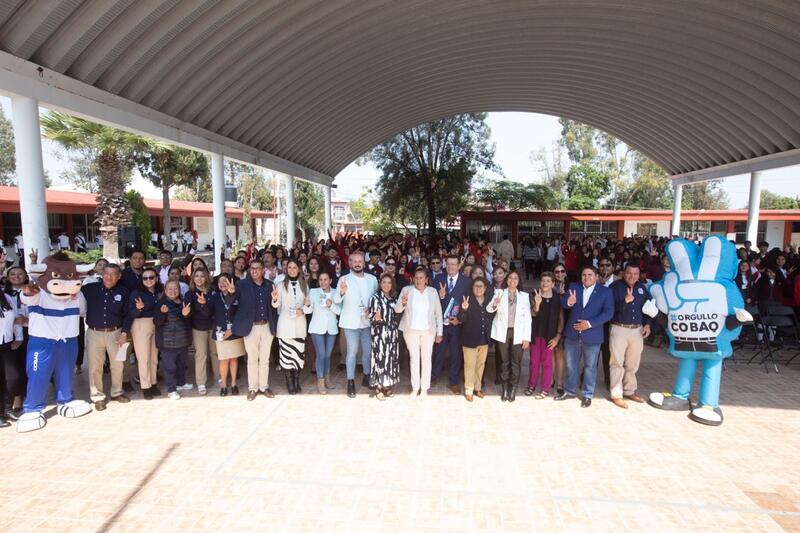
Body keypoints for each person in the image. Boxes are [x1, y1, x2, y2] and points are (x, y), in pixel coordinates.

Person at [556, 266, 614, 408]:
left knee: (590, 367)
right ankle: (569, 391)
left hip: (592, 335)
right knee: (571, 365)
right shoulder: (574, 287)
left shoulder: (605, 291)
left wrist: (589, 324)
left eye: (590, 275)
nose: (586, 277)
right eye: (584, 274)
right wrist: (569, 301)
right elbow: (564, 304)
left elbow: (608, 313)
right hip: (572, 334)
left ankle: (587, 394)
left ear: (596, 276)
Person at [81, 264, 132, 411]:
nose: (109, 277)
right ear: (102, 274)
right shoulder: (89, 289)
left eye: (113, 274)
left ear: (119, 276)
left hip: (116, 333)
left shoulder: (123, 292)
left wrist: (124, 333)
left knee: (117, 365)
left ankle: (116, 392)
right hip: (94, 333)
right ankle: (98, 397)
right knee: (95, 367)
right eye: (107, 273)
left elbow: (128, 314)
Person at [231, 259, 279, 400]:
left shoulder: (270, 285)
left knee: (264, 359)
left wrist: (275, 300)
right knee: (252, 359)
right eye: (252, 268)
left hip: (266, 326)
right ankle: (253, 388)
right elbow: (232, 302)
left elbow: (275, 307)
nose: (254, 271)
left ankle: (264, 386)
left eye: (257, 268)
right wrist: (231, 293)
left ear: (263, 269)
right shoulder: (241, 285)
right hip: (250, 327)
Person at [334, 252, 378, 398]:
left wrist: (371, 311)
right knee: (351, 353)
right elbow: (336, 300)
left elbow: (377, 299)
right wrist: (341, 291)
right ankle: (350, 381)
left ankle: (367, 376)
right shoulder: (344, 279)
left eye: (360, 261)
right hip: (350, 323)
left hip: (367, 322)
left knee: (367, 352)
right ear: (350, 263)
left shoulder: (372, 279)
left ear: (364, 263)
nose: (358, 263)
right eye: (354, 261)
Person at [607, 264, 651, 409]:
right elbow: (608, 309)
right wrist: (624, 302)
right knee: (616, 363)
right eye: (629, 273)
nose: (632, 276)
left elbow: (648, 308)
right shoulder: (615, 287)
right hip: (619, 328)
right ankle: (616, 394)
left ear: (639, 275)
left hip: (637, 330)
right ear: (623, 273)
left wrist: (647, 324)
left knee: (632, 363)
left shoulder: (642, 288)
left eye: (635, 273)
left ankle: (629, 390)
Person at [395, 268, 443, 397]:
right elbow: (397, 309)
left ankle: (424, 388)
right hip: (410, 331)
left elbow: (438, 313)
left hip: (428, 331)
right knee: (414, 359)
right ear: (412, 279)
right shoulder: (406, 290)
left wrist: (440, 332)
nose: (418, 280)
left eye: (421, 277)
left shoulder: (432, 292)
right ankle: (415, 387)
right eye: (416, 277)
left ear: (426, 279)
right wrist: (403, 303)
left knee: (427, 359)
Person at [488, 271, 531, 402]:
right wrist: (495, 303)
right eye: (510, 278)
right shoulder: (499, 293)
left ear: (519, 281)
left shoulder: (524, 296)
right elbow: (489, 309)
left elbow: (528, 318)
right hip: (502, 331)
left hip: (518, 332)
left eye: (516, 278)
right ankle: (505, 388)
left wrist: (527, 337)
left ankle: (513, 389)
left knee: (516, 362)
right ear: (507, 280)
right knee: (504, 362)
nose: (513, 280)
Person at [432, 255, 470, 394]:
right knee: (439, 352)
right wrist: (441, 296)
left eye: (453, 264)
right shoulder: (438, 279)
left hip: (457, 324)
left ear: (459, 265)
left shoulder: (466, 282)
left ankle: (453, 381)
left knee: (455, 353)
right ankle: (433, 376)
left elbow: (467, 304)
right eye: (448, 264)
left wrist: (460, 319)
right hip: (441, 325)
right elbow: (433, 302)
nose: (450, 267)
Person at [272, 259, 312, 394]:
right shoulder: (280, 285)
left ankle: (296, 380)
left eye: (295, 267)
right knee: (286, 357)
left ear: (299, 269)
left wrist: (304, 309)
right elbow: (276, 306)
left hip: (300, 325)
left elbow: (310, 306)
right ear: (286, 269)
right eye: (289, 267)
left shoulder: (304, 285)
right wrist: (275, 298)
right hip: (285, 326)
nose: (292, 269)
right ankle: (289, 382)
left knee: (299, 356)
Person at [456, 277, 498, 402]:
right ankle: (469, 389)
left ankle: (477, 387)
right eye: (476, 286)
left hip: (484, 339)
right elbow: (461, 319)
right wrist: (463, 309)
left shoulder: (489, 300)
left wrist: (495, 305)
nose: (478, 288)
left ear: (485, 288)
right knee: (470, 365)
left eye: (481, 286)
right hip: (469, 339)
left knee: (480, 365)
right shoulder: (467, 299)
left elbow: (492, 316)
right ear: (472, 288)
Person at [525, 272, 564, 399]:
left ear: (553, 284)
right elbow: (533, 314)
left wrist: (557, 337)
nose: (545, 283)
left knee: (547, 362)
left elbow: (561, 318)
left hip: (550, 336)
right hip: (536, 333)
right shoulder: (534, 294)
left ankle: (545, 388)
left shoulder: (558, 298)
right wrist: (537, 304)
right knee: (534, 361)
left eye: (548, 281)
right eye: (543, 280)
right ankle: (531, 385)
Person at [153, 280, 192, 400]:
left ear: (179, 290)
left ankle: (181, 383)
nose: (172, 291)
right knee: (170, 367)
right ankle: (171, 389)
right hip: (167, 342)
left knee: (182, 364)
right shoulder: (161, 303)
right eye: (169, 289)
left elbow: (187, 321)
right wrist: (163, 314)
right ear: (165, 290)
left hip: (183, 340)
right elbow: (157, 322)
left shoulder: (183, 302)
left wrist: (186, 314)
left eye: (175, 288)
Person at [128, 267, 162, 400]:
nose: (148, 280)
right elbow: (131, 313)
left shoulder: (159, 291)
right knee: (143, 358)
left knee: (154, 357)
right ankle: (145, 386)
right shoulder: (136, 293)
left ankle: (153, 383)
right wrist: (139, 309)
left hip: (156, 324)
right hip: (141, 324)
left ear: (156, 278)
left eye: (151, 277)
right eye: (145, 278)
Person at [185, 268, 219, 395]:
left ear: (206, 278)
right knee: (201, 355)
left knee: (215, 353)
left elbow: (215, 310)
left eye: (202, 276)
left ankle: (218, 377)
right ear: (193, 278)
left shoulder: (212, 292)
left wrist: (205, 304)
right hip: (198, 328)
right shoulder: (190, 294)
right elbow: (187, 313)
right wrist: (185, 313)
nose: (199, 279)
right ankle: (201, 382)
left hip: (213, 327)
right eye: (196, 276)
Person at [210, 274, 245, 396]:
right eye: (220, 282)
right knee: (223, 360)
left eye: (225, 281)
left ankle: (234, 383)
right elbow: (208, 313)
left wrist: (233, 328)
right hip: (221, 333)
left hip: (234, 332)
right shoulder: (214, 297)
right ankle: (224, 385)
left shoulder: (238, 295)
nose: (222, 284)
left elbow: (242, 313)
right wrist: (203, 304)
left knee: (234, 359)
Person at [368, 274, 400, 400]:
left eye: (389, 283)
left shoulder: (393, 298)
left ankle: (387, 385)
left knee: (390, 359)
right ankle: (378, 387)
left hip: (392, 333)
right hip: (379, 333)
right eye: (384, 282)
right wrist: (375, 318)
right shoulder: (375, 298)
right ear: (380, 284)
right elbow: (370, 315)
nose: (386, 285)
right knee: (380, 359)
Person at [2, 266, 29, 418]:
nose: (16, 276)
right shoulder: (3, 294)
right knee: (15, 368)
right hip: (10, 335)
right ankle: (16, 401)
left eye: (20, 274)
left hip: (30, 332)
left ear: (25, 276)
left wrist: (27, 320)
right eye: (12, 274)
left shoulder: (32, 291)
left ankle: (25, 396)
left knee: (28, 366)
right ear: (7, 278)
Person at [308, 271, 340, 394]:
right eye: (321, 280)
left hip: (331, 328)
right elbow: (308, 310)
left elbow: (339, 311)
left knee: (327, 355)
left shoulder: (335, 293)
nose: (323, 282)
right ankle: (320, 380)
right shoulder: (314, 292)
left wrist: (331, 305)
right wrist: (306, 304)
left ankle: (327, 378)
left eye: (325, 279)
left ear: (330, 281)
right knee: (321, 354)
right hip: (317, 328)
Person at [0, 287, 23, 427]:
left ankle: (8, 408)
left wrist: (19, 338)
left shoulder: (6, 299)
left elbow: (16, 319)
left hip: (7, 345)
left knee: (12, 378)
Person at [552, 263, 568, 395]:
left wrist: (564, 296)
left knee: (560, 354)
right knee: (551, 353)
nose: (560, 274)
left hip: (564, 324)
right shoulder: (550, 286)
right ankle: (551, 378)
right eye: (557, 272)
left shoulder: (571, 287)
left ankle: (560, 382)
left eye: (562, 271)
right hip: (551, 323)